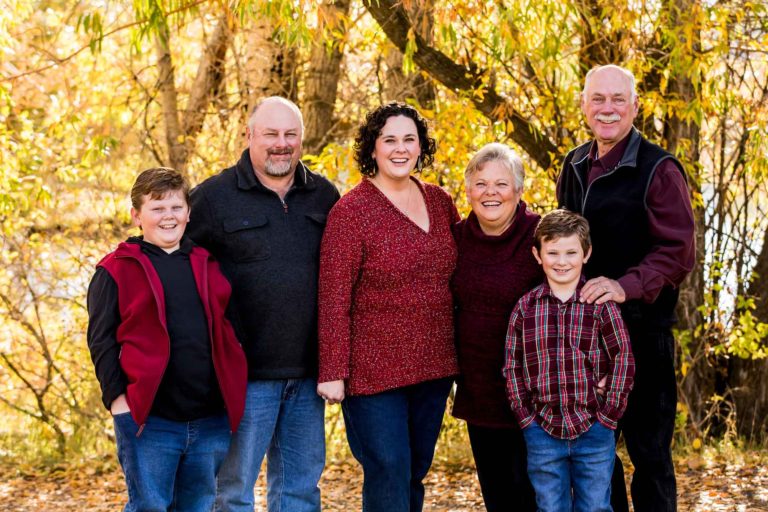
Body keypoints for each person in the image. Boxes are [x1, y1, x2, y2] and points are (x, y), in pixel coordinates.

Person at [186, 96, 340, 512]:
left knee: (300, 492)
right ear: (250, 135)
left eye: (290, 134)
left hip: (309, 377)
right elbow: (179, 271)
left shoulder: (324, 196)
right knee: (233, 491)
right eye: (270, 133)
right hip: (242, 377)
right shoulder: (214, 198)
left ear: (302, 139)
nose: (281, 143)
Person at [557, 64, 695, 512]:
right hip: (584, 335)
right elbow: (562, 242)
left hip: (642, 333)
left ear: (636, 106)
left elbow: (678, 252)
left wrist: (624, 286)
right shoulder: (574, 164)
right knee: (594, 456)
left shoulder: (659, 169)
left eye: (618, 99)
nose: (608, 108)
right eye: (598, 98)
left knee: (649, 456)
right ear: (583, 104)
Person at [317, 102, 459, 512]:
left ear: (420, 147)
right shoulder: (351, 212)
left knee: (415, 469)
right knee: (388, 467)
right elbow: (333, 297)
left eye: (409, 140)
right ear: (373, 148)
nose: (400, 149)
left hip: (433, 365)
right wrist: (332, 372)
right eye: (389, 140)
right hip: (373, 371)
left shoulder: (439, 201)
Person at [86, 167, 248, 512]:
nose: (168, 217)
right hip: (149, 421)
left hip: (209, 420)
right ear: (136, 216)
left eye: (176, 207)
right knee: (149, 506)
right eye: (157, 208)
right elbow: (101, 342)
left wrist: (231, 390)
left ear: (188, 213)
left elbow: (231, 331)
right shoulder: (115, 270)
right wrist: (118, 402)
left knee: (199, 505)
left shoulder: (208, 264)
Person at [503, 208, 635, 512]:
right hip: (542, 431)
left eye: (571, 252)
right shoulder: (525, 309)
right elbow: (512, 366)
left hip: (594, 429)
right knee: (550, 507)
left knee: (595, 507)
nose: (562, 261)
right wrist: (526, 418)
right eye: (553, 252)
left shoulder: (600, 306)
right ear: (538, 255)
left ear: (586, 253)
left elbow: (623, 358)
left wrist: (609, 416)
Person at [451, 143, 541, 512]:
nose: (491, 193)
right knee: (499, 498)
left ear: (519, 191)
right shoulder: (454, 239)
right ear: (468, 190)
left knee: (542, 496)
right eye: (481, 183)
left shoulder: (541, 236)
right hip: (480, 392)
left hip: (538, 395)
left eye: (501, 184)